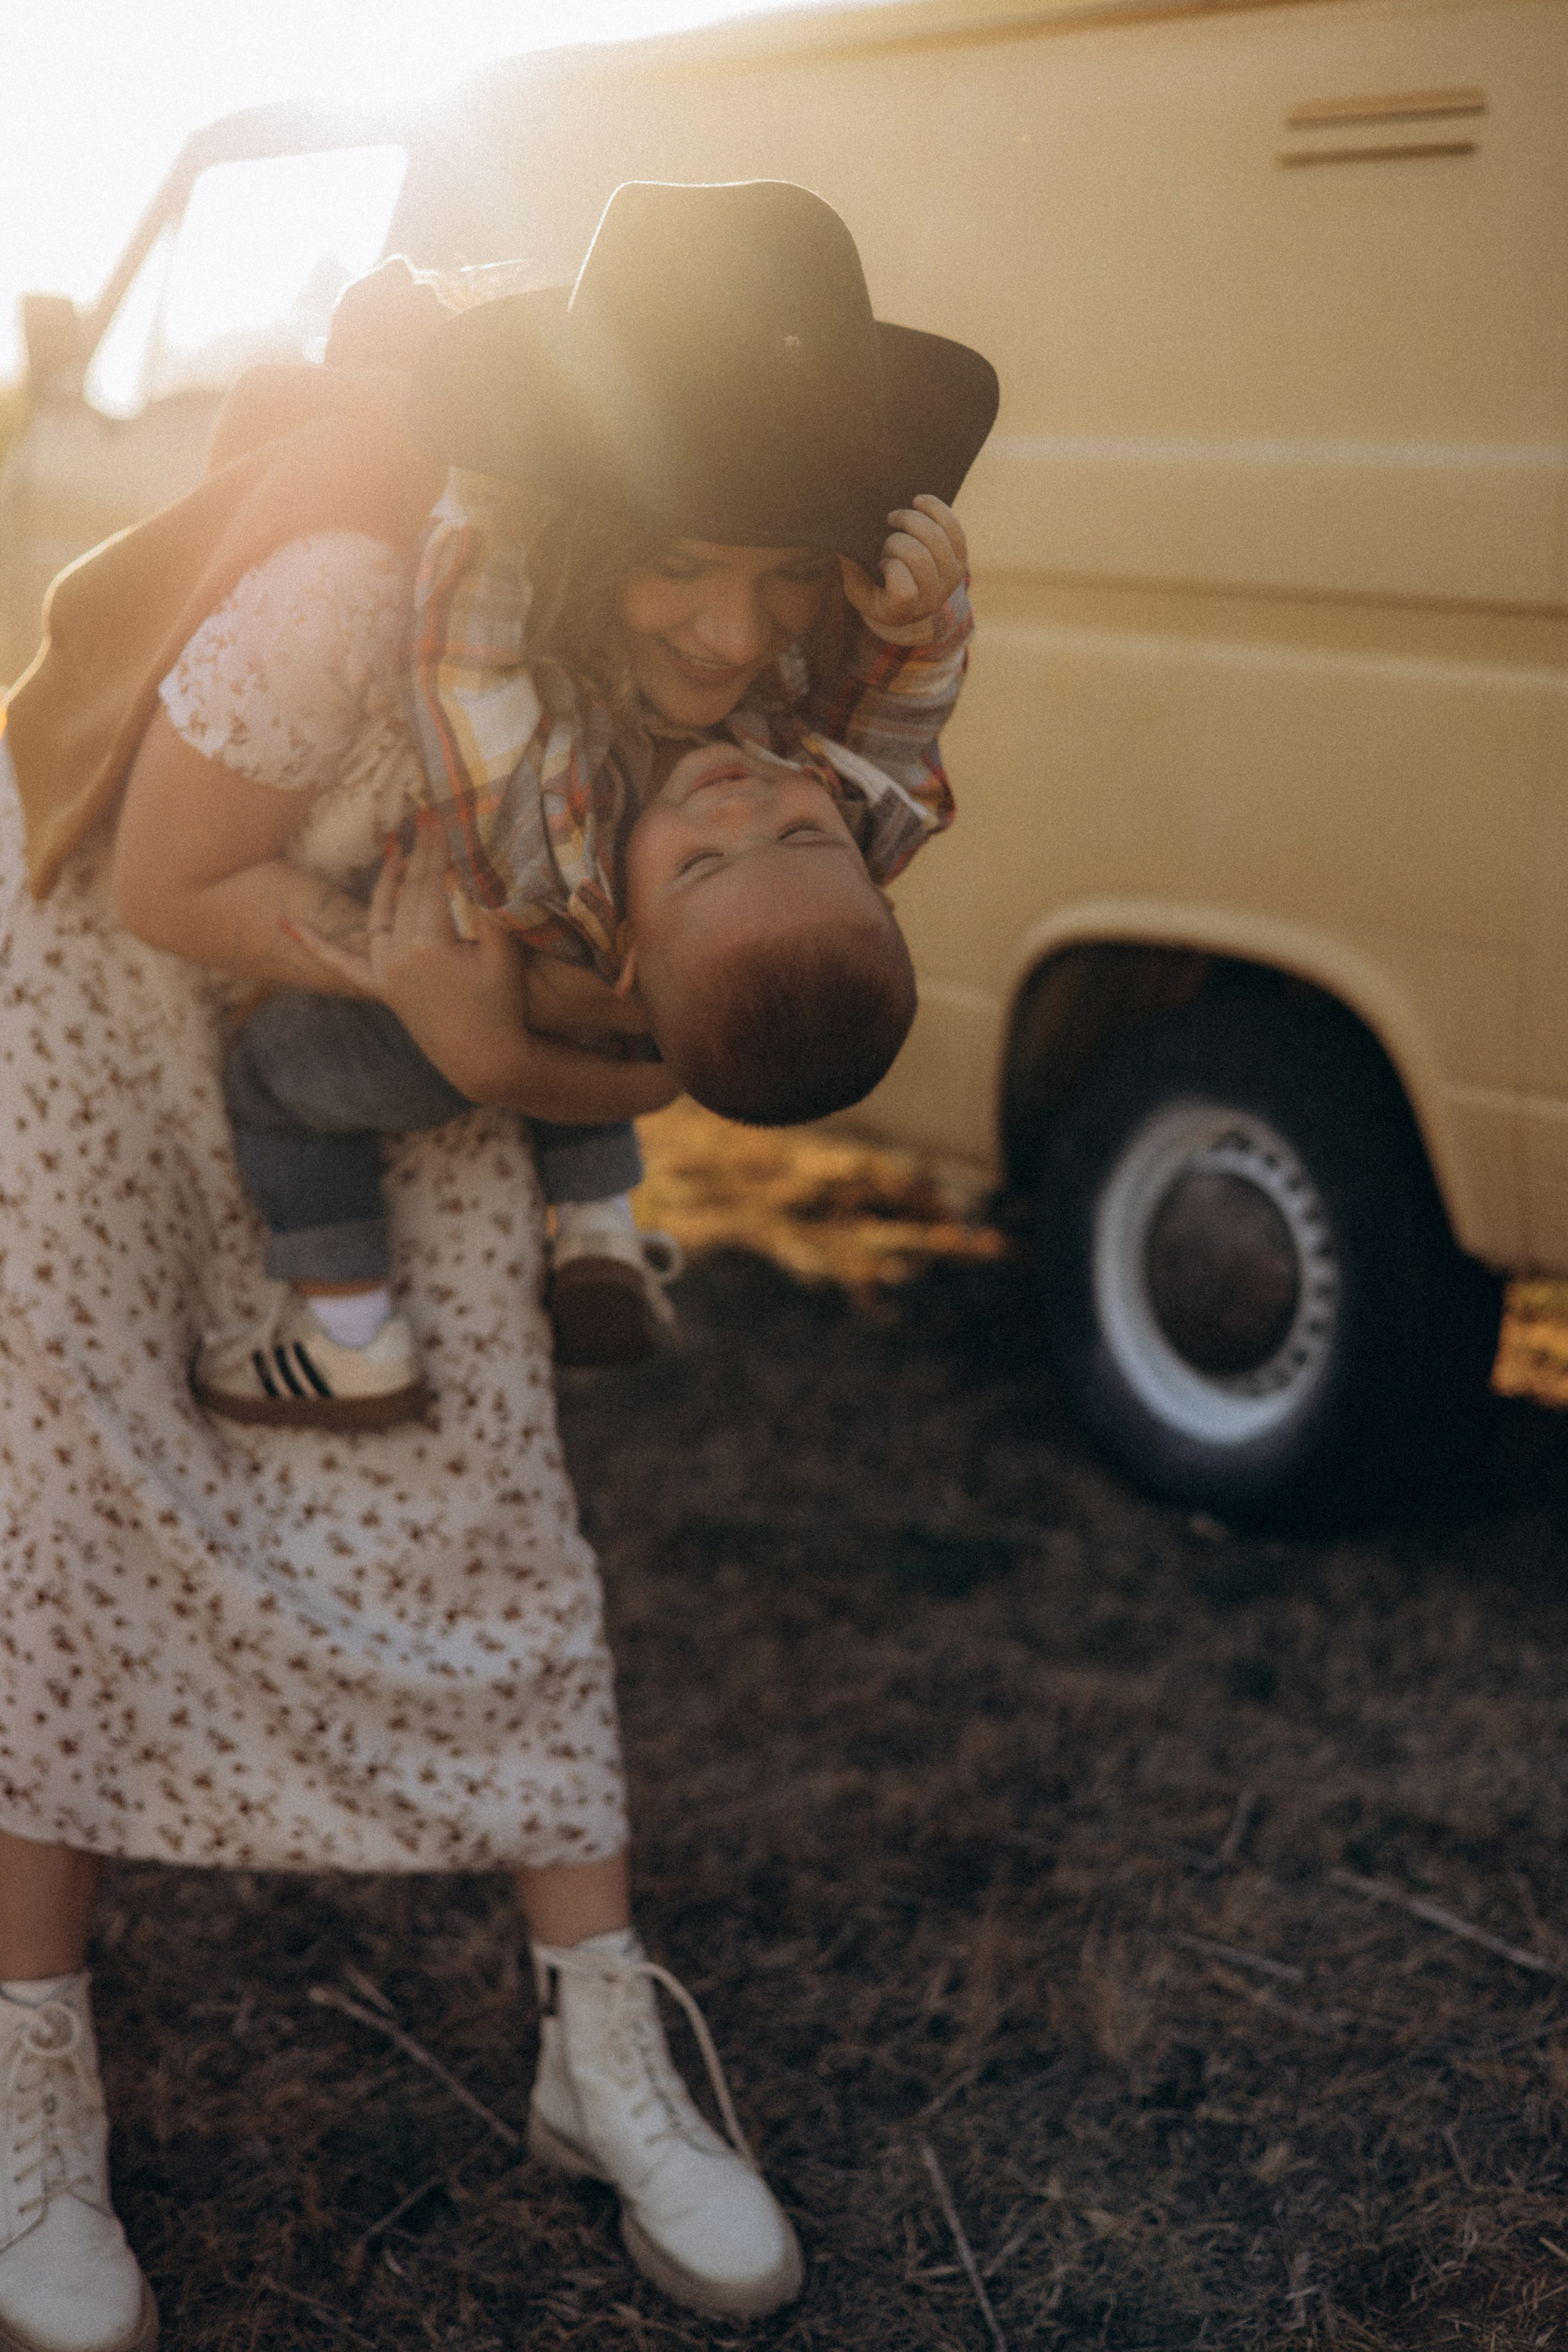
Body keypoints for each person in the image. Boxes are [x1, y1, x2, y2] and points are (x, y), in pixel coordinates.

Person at [0, 178, 997, 2350]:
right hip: (128, 1019)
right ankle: (29, 2094)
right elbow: (165, 881)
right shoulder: (362, 594)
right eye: (683, 565)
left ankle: (596, 2050)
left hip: (403, 1023)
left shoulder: (765, 685)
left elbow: (731, 965)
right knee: (69, 1538)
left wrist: (503, 1048)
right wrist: (453, 1019)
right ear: (579, 508)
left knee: (494, 1516)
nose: (734, 639)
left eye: (782, 573)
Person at [174, 180, 989, 1421]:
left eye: (702, 864)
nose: (743, 804)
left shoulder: (552, 850)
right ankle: (600, 1227)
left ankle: (348, 1332)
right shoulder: (821, 840)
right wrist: (920, 623)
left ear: (628, 959)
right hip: (584, 1025)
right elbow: (893, 729)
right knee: (628, 1041)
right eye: (800, 828)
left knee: (280, 1083)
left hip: (418, 1038)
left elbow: (470, 674)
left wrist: (498, 495)